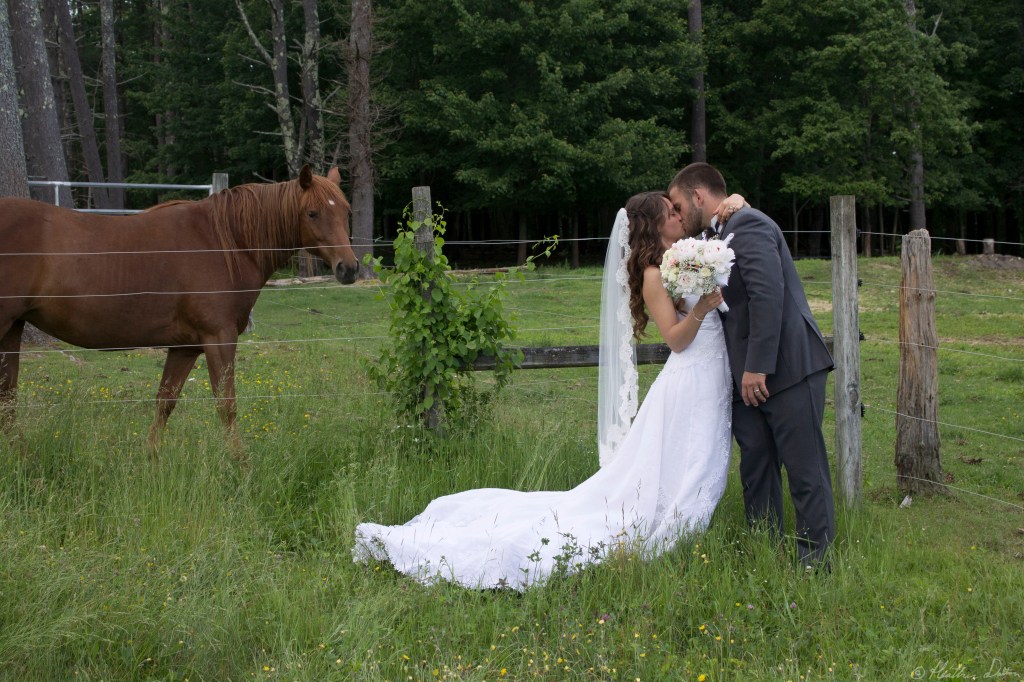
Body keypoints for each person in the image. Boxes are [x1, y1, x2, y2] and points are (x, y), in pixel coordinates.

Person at [353, 190, 745, 590]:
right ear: (653, 225)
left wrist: (734, 204)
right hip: (690, 372)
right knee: (685, 457)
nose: (679, 217)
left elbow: (717, 235)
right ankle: (680, 519)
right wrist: (700, 309)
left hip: (704, 374)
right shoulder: (652, 275)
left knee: (688, 453)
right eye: (670, 213)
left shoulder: (677, 260)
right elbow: (677, 339)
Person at [668, 162, 836, 569]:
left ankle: (815, 561)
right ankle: (765, 549)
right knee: (756, 466)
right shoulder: (711, 237)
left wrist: (757, 367)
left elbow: (767, 296)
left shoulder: (751, 225)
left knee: (803, 467)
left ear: (698, 196)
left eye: (677, 205)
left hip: (788, 367)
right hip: (744, 377)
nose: (675, 214)